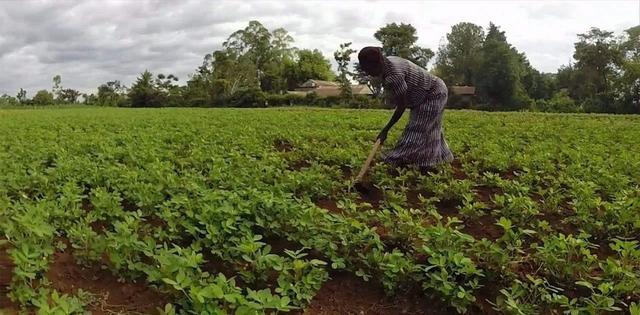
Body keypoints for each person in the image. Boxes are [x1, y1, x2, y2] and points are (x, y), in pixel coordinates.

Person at [358, 46, 454, 171]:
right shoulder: (389, 61)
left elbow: (401, 106)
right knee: (431, 129)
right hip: (430, 91)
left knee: (417, 130)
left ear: (378, 63)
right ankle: (437, 160)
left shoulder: (394, 76)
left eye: (368, 69)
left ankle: (401, 161)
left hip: (433, 93)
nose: (367, 73)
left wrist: (386, 130)